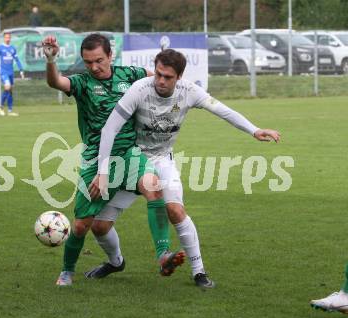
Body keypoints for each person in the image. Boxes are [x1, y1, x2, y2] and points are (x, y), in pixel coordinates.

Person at [88, 49, 281, 288]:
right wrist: (104, 171)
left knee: (176, 211)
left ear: (179, 77)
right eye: (158, 74)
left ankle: (199, 272)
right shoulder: (139, 89)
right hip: (131, 158)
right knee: (99, 226)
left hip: (161, 160)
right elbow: (109, 129)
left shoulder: (189, 92)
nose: (160, 80)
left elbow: (223, 111)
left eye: (168, 77)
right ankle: (116, 262)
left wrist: (254, 129)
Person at [42, 34, 185, 286]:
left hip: (129, 153)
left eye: (99, 60)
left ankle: (163, 255)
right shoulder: (83, 83)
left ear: (110, 55)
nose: (94, 67)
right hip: (96, 161)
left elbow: (159, 77)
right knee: (83, 226)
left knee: (154, 187)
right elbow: (57, 83)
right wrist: (51, 60)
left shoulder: (129, 75)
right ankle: (71, 270)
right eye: (88, 62)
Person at [0, 31, 24, 117]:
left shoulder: (12, 48)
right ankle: (1, 106)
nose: (8, 39)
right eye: (6, 37)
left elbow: (17, 60)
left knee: (10, 91)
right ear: (4, 38)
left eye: (9, 37)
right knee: (7, 86)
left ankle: (10, 110)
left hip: (11, 72)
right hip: (3, 72)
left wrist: (21, 70)